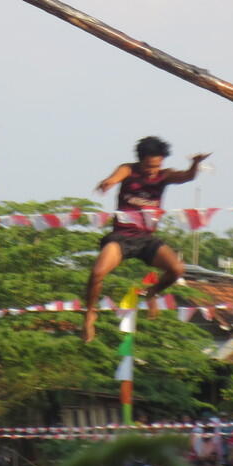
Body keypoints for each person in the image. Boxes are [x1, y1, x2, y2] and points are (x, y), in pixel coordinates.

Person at [82, 136, 211, 341]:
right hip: (121, 237)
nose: (153, 170)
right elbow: (116, 176)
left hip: (146, 239)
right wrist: (109, 182)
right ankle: (89, 313)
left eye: (157, 165)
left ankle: (151, 292)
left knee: (177, 269)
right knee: (97, 272)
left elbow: (187, 177)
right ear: (141, 160)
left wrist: (195, 164)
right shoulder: (128, 169)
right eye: (150, 166)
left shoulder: (164, 175)